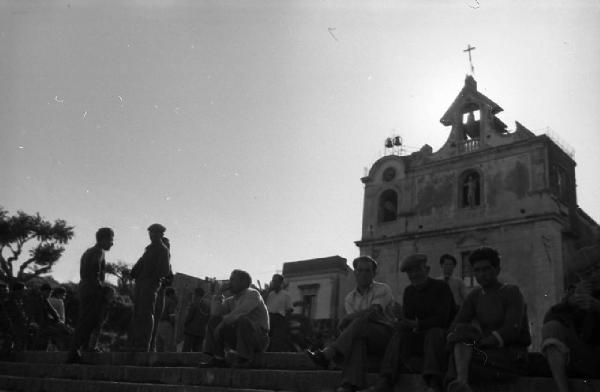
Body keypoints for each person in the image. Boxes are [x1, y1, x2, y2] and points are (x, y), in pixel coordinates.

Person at [365, 254, 455, 392]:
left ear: (427, 270)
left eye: (417, 270)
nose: (413, 275)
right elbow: (407, 320)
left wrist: (415, 324)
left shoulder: (441, 287)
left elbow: (443, 319)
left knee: (434, 333)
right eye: (410, 272)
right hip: (418, 337)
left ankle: (434, 382)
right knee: (399, 335)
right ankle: (385, 380)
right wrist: (398, 320)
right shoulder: (409, 291)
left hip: (440, 335)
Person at [445, 247, 531, 392]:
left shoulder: (511, 292)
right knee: (460, 337)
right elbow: (456, 325)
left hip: (511, 354)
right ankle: (462, 384)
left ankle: (460, 384)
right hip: (487, 353)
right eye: (477, 270)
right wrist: (467, 334)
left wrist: (480, 341)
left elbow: (511, 330)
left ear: (497, 269)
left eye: (486, 269)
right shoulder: (475, 296)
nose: (481, 274)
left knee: (460, 360)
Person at [305, 256, 394, 392]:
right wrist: (350, 319)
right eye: (360, 270)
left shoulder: (382, 289)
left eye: (367, 271)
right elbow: (354, 325)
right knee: (358, 340)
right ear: (355, 273)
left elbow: (373, 313)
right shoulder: (350, 298)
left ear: (373, 274)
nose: (363, 274)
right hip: (363, 337)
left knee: (360, 321)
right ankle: (349, 384)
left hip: (384, 336)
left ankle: (329, 353)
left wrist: (348, 318)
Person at [199, 269, 269, 368]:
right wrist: (219, 293)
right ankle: (218, 358)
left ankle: (245, 359)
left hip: (258, 338)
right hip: (239, 338)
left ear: (243, 282)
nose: (229, 283)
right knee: (214, 320)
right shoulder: (231, 300)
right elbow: (215, 313)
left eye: (233, 280)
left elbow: (241, 312)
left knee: (242, 320)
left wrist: (222, 324)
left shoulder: (253, 294)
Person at [541, 279, 600, 392]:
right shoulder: (570, 304)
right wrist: (569, 303)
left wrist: (597, 306)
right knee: (551, 327)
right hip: (579, 356)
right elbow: (549, 320)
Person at [67, 227, 114, 362]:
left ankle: (82, 349)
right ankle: (74, 352)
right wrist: (102, 290)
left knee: (87, 321)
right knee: (87, 322)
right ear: (103, 239)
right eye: (111, 240)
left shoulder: (89, 251)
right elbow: (94, 272)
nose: (112, 243)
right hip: (92, 289)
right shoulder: (98, 252)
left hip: (85, 288)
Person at [129, 223, 171, 351]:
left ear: (161, 234)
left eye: (155, 233)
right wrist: (135, 272)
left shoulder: (163, 250)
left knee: (147, 313)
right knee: (138, 314)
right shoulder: (148, 249)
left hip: (150, 285)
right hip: (141, 284)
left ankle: (145, 344)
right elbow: (137, 266)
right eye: (150, 233)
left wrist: (153, 278)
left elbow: (164, 271)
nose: (152, 235)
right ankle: (135, 342)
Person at [266, 274, 293, 352]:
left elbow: (289, 310)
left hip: (279, 319)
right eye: (273, 280)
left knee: (277, 341)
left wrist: (286, 324)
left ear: (280, 282)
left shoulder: (286, 295)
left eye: (275, 281)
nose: (273, 282)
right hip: (269, 319)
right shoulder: (270, 295)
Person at [182, 287, 210, 352]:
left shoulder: (194, 304)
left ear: (196, 294)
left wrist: (185, 324)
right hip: (201, 333)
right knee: (197, 353)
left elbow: (189, 318)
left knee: (185, 352)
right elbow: (207, 319)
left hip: (191, 332)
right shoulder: (207, 307)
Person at [156, 287, 178, 352]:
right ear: (171, 294)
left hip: (159, 324)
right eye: (174, 294)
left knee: (159, 345)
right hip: (167, 325)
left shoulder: (160, 299)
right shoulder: (171, 302)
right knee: (168, 346)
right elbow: (171, 315)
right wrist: (173, 325)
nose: (175, 295)